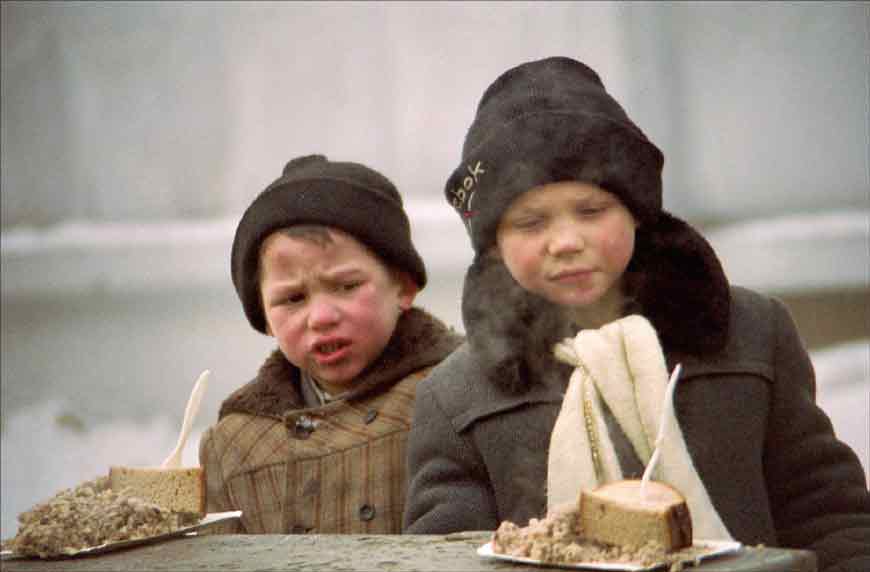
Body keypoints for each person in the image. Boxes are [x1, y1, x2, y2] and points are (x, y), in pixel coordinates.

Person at [402, 57, 870, 571]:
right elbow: (444, 558)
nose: (565, 241)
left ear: (638, 212)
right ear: (493, 244)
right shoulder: (456, 394)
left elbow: (827, 513)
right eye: (530, 222)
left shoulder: (752, 334)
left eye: (591, 210)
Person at [200, 154, 462, 534]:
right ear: (265, 318)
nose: (321, 317)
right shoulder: (235, 445)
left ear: (403, 287)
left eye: (347, 286)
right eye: (292, 299)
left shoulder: (458, 392)